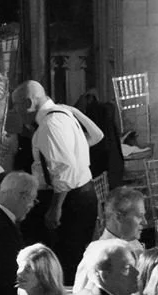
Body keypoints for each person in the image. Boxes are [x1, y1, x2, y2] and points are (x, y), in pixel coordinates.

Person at [12, 80, 102, 280]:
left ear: (28, 103)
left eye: (16, 106)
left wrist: (55, 208)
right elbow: (96, 136)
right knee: (72, 258)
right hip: (83, 194)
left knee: (66, 263)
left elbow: (64, 171)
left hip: (72, 199)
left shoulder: (50, 123)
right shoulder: (63, 114)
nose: (15, 112)